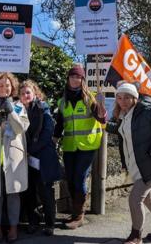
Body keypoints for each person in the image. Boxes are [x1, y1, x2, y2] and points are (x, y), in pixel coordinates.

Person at [106, 82, 151, 244]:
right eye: (119, 97)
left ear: (135, 97)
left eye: (127, 97)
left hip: (150, 166)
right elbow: (120, 130)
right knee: (148, 199)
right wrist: (102, 123)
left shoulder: (146, 112)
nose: (122, 101)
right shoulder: (126, 114)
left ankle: (135, 236)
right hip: (138, 165)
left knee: (135, 199)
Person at [53, 64, 106, 230]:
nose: (75, 79)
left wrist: (101, 107)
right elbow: (60, 124)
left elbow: (102, 120)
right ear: (68, 79)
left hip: (87, 145)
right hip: (69, 146)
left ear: (82, 80)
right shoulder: (62, 101)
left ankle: (79, 215)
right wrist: (54, 139)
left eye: (78, 77)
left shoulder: (90, 98)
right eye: (72, 76)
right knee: (70, 178)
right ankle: (75, 211)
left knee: (79, 177)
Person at [0, 72, 29, 243]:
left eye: (7, 85)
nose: (4, 88)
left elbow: (20, 129)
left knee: (13, 193)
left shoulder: (19, 106)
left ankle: (14, 227)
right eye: (1, 85)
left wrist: (11, 113)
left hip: (13, 156)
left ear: (12, 88)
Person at [19, 79, 61, 236]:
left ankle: (50, 224)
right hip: (27, 157)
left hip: (43, 157)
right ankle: (33, 221)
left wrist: (30, 150)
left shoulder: (43, 108)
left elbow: (47, 133)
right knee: (29, 191)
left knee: (45, 191)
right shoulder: (19, 110)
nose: (25, 95)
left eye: (28, 92)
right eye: (22, 93)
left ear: (35, 93)